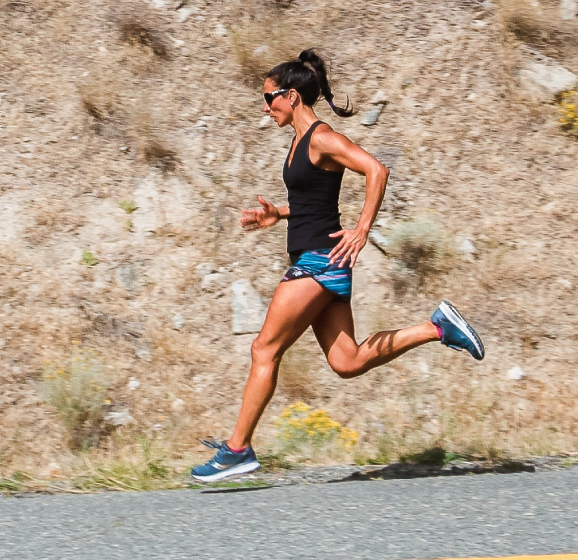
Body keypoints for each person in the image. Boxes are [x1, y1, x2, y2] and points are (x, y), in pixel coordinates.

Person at [191, 49, 484, 482]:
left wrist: (362, 229)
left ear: (291, 96)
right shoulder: (299, 141)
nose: (265, 106)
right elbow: (315, 202)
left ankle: (238, 450)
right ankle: (437, 327)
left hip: (319, 262)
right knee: (347, 361)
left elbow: (376, 170)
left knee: (263, 349)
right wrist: (280, 215)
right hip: (318, 258)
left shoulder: (323, 137)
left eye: (269, 97)